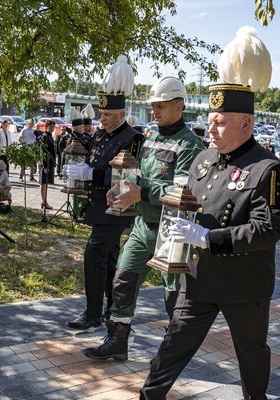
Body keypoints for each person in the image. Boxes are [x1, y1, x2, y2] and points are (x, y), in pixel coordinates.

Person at [140, 26, 280, 400]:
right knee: (171, 348)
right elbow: (188, 205)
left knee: (252, 357)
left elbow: (268, 229)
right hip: (200, 280)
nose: (212, 128)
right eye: (210, 120)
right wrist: (178, 234)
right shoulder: (205, 160)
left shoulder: (268, 169)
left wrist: (208, 238)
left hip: (244, 284)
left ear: (246, 123)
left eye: (220, 122)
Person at [82, 74, 205, 361]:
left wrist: (143, 191)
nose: (155, 112)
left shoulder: (190, 145)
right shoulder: (151, 138)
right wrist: (121, 187)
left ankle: (171, 352)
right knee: (122, 280)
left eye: (161, 106)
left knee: (173, 295)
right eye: (154, 106)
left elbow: (183, 191)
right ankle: (117, 340)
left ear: (179, 106)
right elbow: (138, 175)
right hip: (142, 226)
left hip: (171, 229)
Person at [64, 57, 144, 330]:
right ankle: (112, 307)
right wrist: (81, 171)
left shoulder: (132, 137)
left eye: (108, 115)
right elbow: (94, 160)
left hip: (117, 207)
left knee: (93, 255)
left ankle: (93, 312)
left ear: (121, 115)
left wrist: (92, 174)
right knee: (109, 258)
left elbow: (129, 176)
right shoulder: (100, 135)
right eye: (101, 114)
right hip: (98, 205)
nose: (102, 119)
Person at [39, 120, 56, 209]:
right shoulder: (45, 136)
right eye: (51, 126)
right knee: (43, 183)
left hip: (50, 163)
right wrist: (45, 165)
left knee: (45, 183)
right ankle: (44, 202)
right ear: (47, 126)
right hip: (45, 163)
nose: (52, 128)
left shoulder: (50, 136)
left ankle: (44, 201)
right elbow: (43, 152)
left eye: (53, 126)